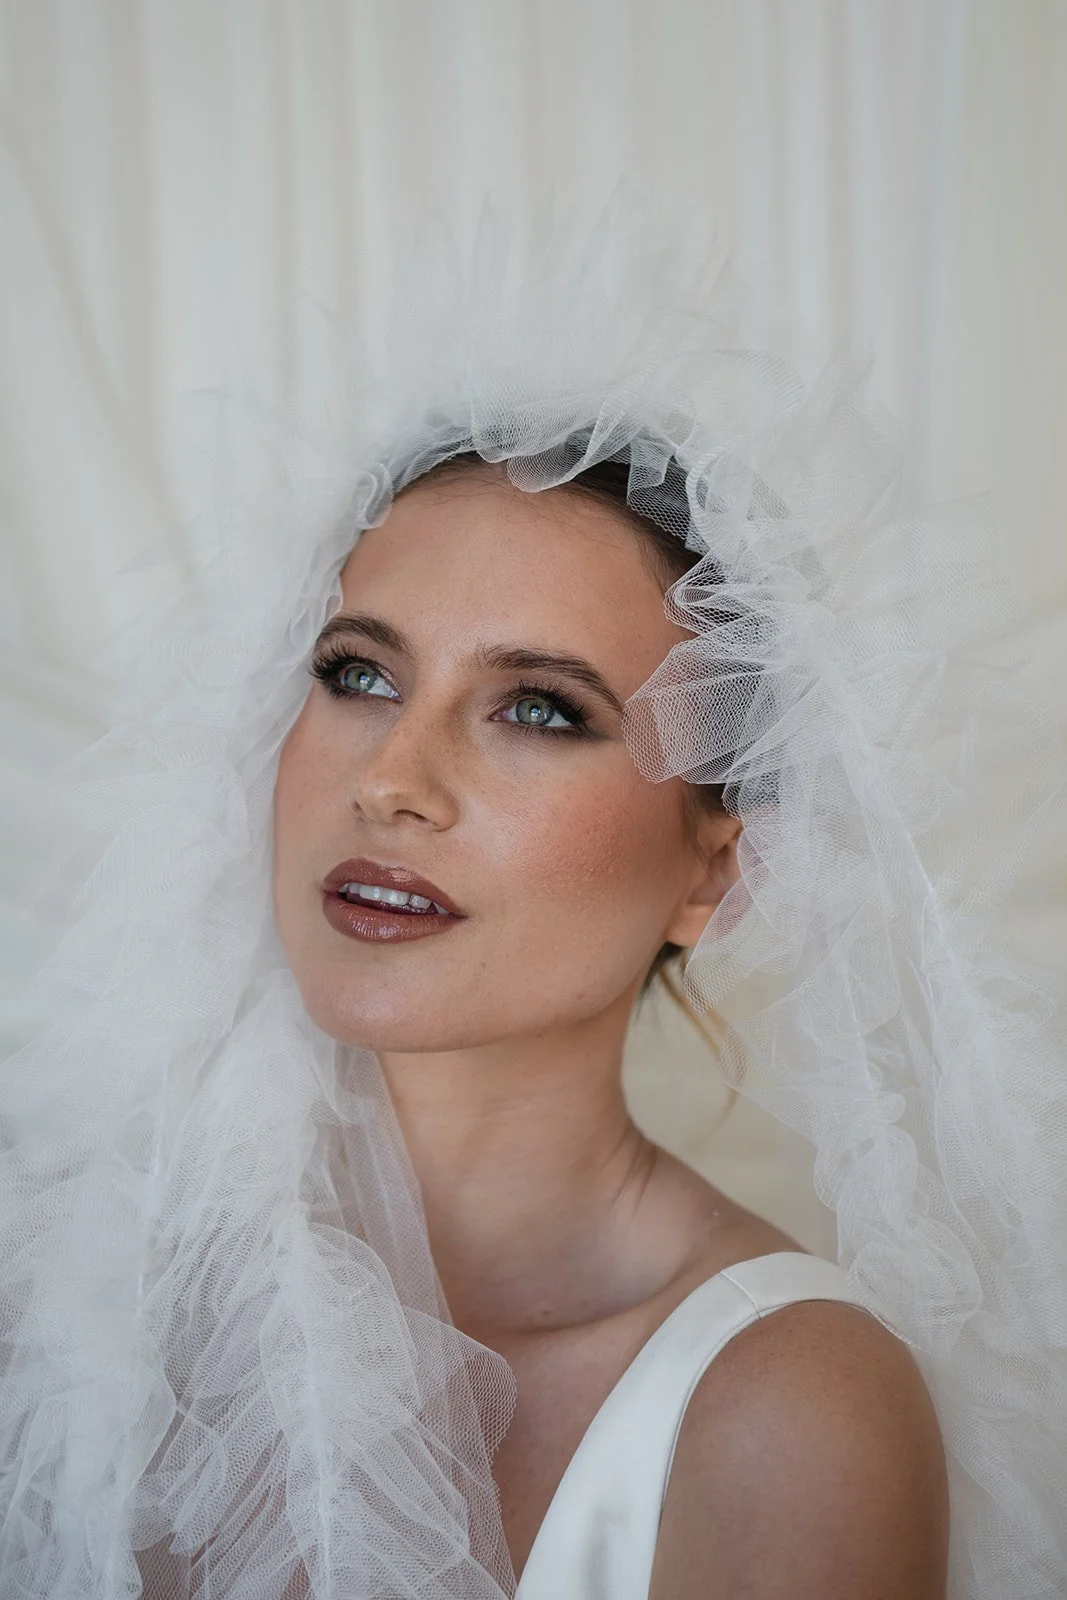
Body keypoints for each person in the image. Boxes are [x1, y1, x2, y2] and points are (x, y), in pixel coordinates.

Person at [1, 213, 1065, 1599]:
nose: (392, 779)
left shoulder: (781, 1415)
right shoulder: (70, 1296)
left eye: (541, 710)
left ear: (717, 870)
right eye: (359, 673)